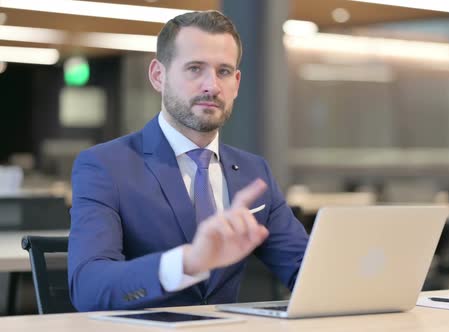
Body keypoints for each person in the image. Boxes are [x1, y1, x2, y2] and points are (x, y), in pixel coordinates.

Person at [68, 10, 309, 311]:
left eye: (223, 72)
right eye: (195, 69)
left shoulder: (252, 171)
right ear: (159, 75)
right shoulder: (106, 166)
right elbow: (89, 288)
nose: (211, 86)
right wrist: (188, 262)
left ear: (236, 83)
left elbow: (307, 271)